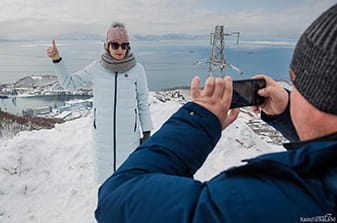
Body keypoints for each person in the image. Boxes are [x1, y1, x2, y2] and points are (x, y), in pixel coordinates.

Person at [95, 4, 337, 223]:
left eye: (297, 86)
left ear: (320, 102)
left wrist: (199, 119)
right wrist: (287, 114)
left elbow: (118, 198)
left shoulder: (276, 197)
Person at [46, 22, 153, 184]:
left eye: (124, 45)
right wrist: (57, 60)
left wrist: (146, 133)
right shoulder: (97, 68)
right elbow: (69, 83)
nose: (120, 49)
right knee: (106, 184)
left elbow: (143, 102)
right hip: (102, 138)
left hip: (129, 138)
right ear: (107, 45)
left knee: (129, 182)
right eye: (115, 45)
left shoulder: (137, 70)